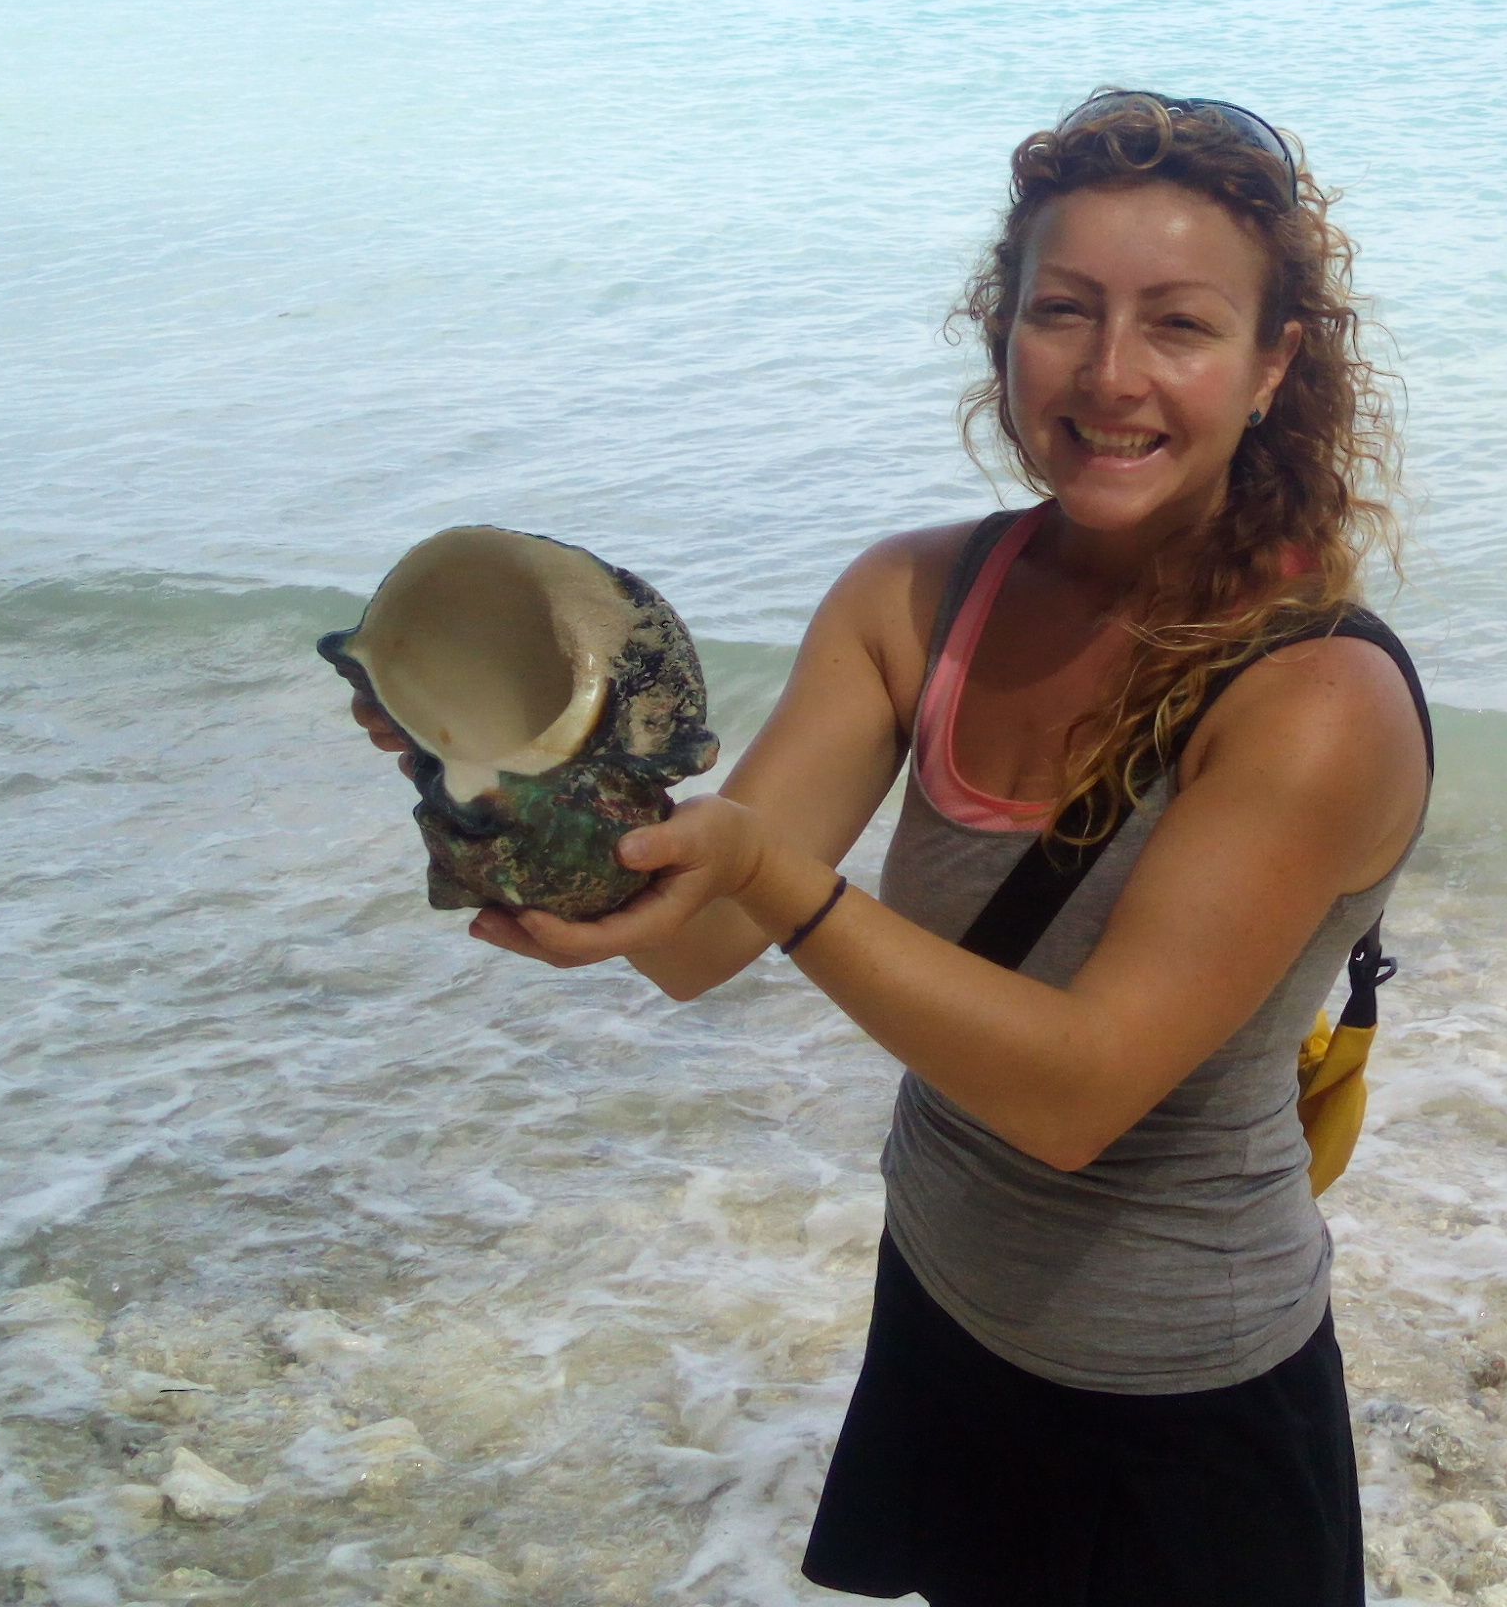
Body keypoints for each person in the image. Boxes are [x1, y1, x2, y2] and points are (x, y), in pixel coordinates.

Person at [353, 89, 1432, 1605]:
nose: (1110, 374)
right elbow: (690, 941)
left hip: (1179, 1396)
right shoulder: (915, 600)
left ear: (1273, 366)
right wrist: (487, 775)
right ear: (1002, 331)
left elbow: (1076, 1093)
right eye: (1063, 311)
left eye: (1181, 325)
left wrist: (777, 878)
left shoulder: (1315, 702)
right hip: (944, 1305)